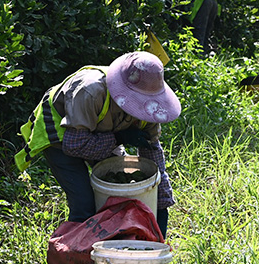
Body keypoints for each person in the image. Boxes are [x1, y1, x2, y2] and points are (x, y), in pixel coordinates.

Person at [14, 51, 181, 238]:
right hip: (63, 136)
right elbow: (74, 145)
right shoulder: (90, 91)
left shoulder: (150, 109)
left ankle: (113, 251)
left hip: (103, 132)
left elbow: (153, 154)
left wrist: (161, 202)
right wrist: (119, 138)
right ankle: (75, 258)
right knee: (84, 206)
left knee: (119, 192)